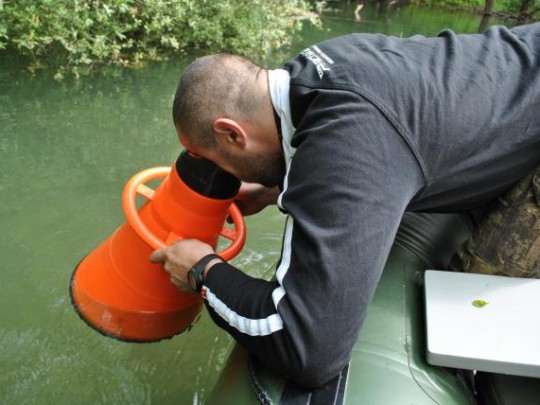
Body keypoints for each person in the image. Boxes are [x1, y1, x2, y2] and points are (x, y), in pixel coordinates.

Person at [149, 22, 540, 388]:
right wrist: (276, 186)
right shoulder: (321, 66)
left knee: (473, 313)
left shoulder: (346, 141)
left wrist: (203, 270)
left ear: (232, 134)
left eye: (217, 162)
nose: (226, 175)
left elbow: (309, 349)